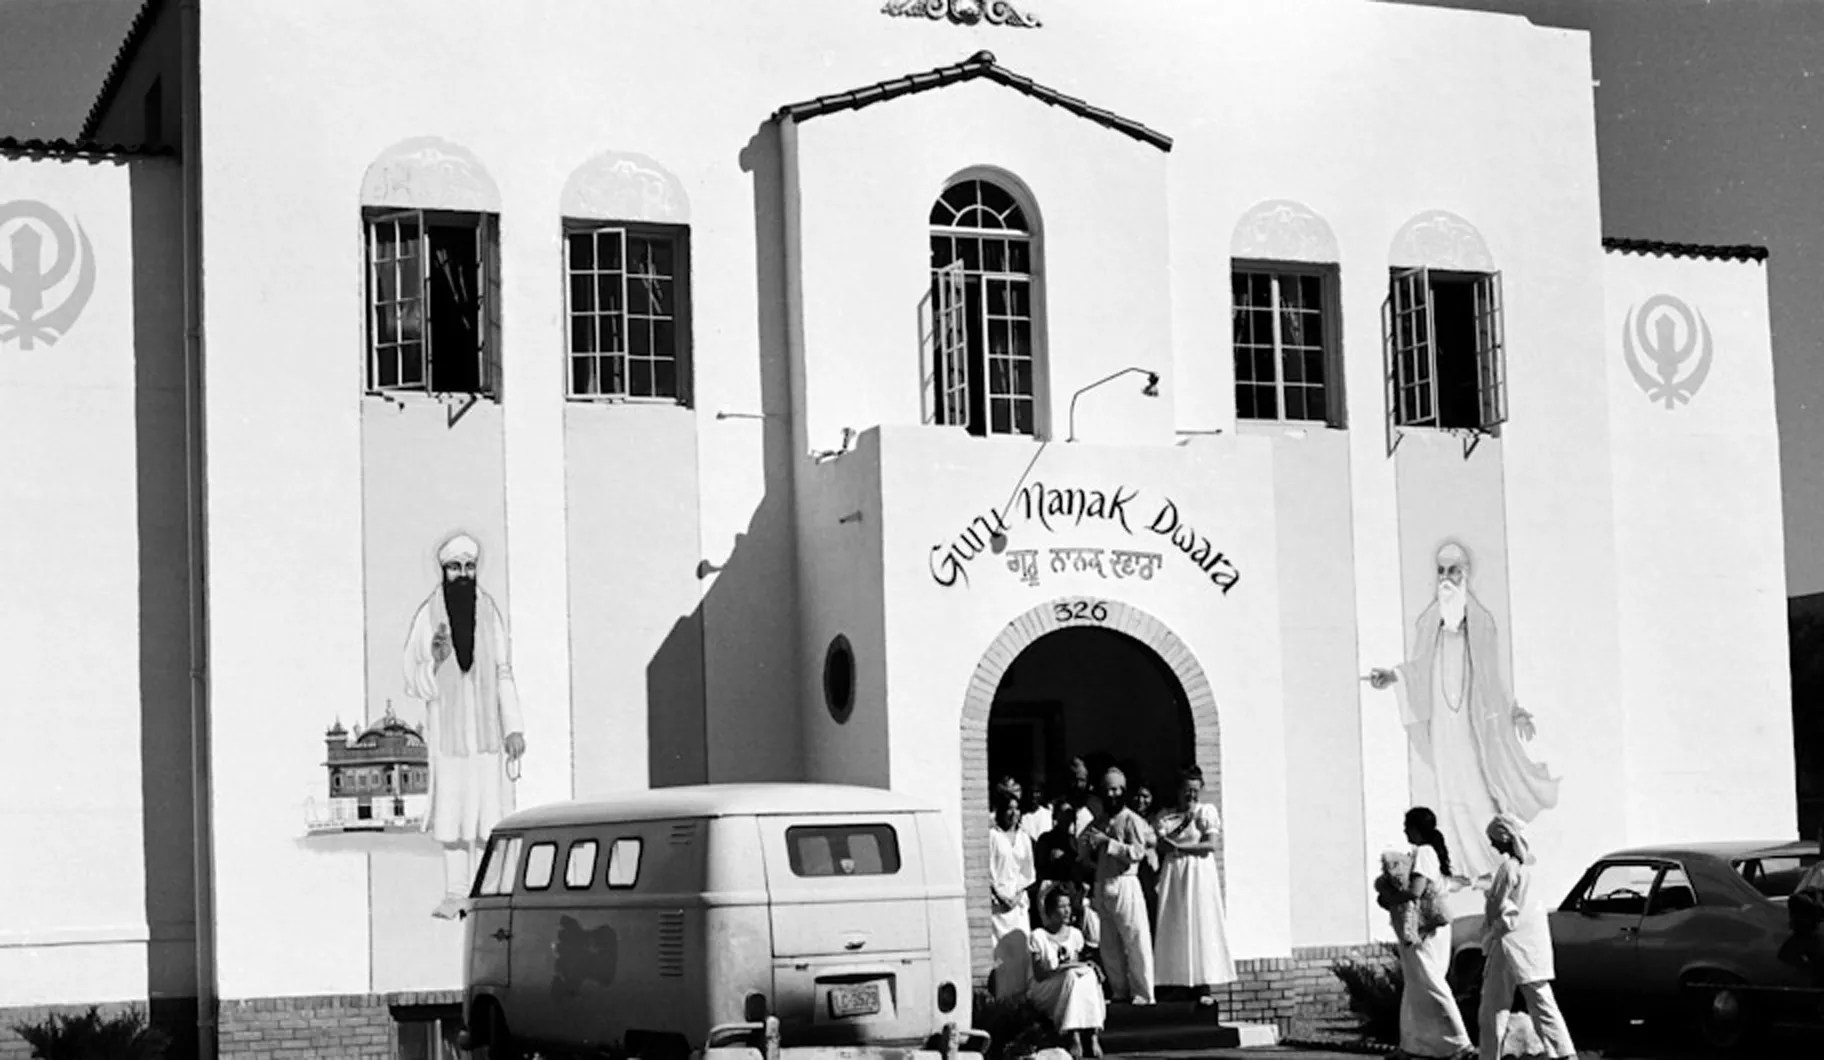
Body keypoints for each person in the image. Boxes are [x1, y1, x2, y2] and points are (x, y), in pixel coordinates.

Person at [1367, 540, 1559, 881]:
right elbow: (1417, 668)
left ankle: (1491, 862)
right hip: (1443, 725)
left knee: (1476, 787)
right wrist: (1393, 675)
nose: (1446, 578)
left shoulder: (1482, 623)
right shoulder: (1429, 623)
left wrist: (1514, 711)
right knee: (1449, 792)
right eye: (1441, 571)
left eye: (1453, 571)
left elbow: (1492, 676)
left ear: (1466, 574)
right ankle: (1457, 866)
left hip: (1472, 725)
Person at [403, 532, 526, 919]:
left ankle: (489, 894)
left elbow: (503, 672)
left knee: (489, 818)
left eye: (469, 567)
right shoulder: (428, 616)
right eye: (455, 567)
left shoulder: (489, 612)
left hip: (487, 737)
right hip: (449, 738)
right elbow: (412, 677)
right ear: (444, 570)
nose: (463, 574)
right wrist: (435, 661)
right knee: (453, 818)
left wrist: (513, 727)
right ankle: (456, 894)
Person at [1479, 814, 1575, 1060]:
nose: (1491, 844)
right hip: (1530, 944)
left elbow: (1500, 907)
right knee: (1541, 1001)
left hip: (1509, 942)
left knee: (1494, 1007)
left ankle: (1490, 1054)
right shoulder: (1532, 867)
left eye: (1493, 839)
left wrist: (1491, 919)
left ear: (1503, 838)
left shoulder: (1509, 868)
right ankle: (1564, 1053)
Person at [1382, 807, 1472, 1060]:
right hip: (1432, 929)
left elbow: (1416, 890)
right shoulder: (1432, 853)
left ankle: (1460, 1042)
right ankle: (1412, 1044)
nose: (1404, 830)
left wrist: (1389, 897)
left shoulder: (1424, 852)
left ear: (1415, 828)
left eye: (1407, 826)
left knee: (1431, 981)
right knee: (1416, 984)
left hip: (1424, 929)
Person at [1150, 766, 1236, 1009]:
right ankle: (1177, 983)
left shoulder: (1206, 812)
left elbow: (1210, 845)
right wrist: (1170, 843)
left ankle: (1203, 986)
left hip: (1198, 874)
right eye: (1187, 790)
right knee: (1176, 925)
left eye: (1195, 791)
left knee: (1200, 924)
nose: (1191, 795)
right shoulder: (1167, 817)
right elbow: (1160, 844)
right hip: (1175, 874)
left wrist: (1181, 848)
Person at [1080, 766, 1155, 1005]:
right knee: (1109, 943)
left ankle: (1143, 992)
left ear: (1123, 791)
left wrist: (1109, 843)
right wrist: (1089, 847)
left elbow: (1137, 852)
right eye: (1107, 790)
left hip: (1125, 882)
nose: (1111, 794)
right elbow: (1083, 845)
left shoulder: (1132, 819)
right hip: (1103, 882)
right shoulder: (1099, 820)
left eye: (1115, 789)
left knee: (1135, 939)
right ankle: (1119, 990)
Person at [1028, 887, 1107, 1060]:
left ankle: (1092, 1034)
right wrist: (1067, 967)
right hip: (1047, 986)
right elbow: (1040, 974)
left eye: (1068, 906)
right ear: (1050, 911)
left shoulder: (1075, 934)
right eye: (1061, 906)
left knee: (1088, 975)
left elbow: (1078, 969)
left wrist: (1087, 967)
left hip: (1069, 986)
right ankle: (1074, 1035)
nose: (1067, 911)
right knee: (1072, 976)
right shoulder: (1038, 936)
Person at [989, 788, 1038, 999]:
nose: (1013, 813)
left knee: (1021, 950)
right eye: (1009, 809)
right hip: (998, 905)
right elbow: (987, 870)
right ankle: (1003, 999)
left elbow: (1028, 872)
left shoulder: (1024, 838)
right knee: (1001, 953)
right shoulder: (992, 836)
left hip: (1018, 903)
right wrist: (1000, 896)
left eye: (1017, 809)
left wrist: (1017, 896)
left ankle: (1022, 997)